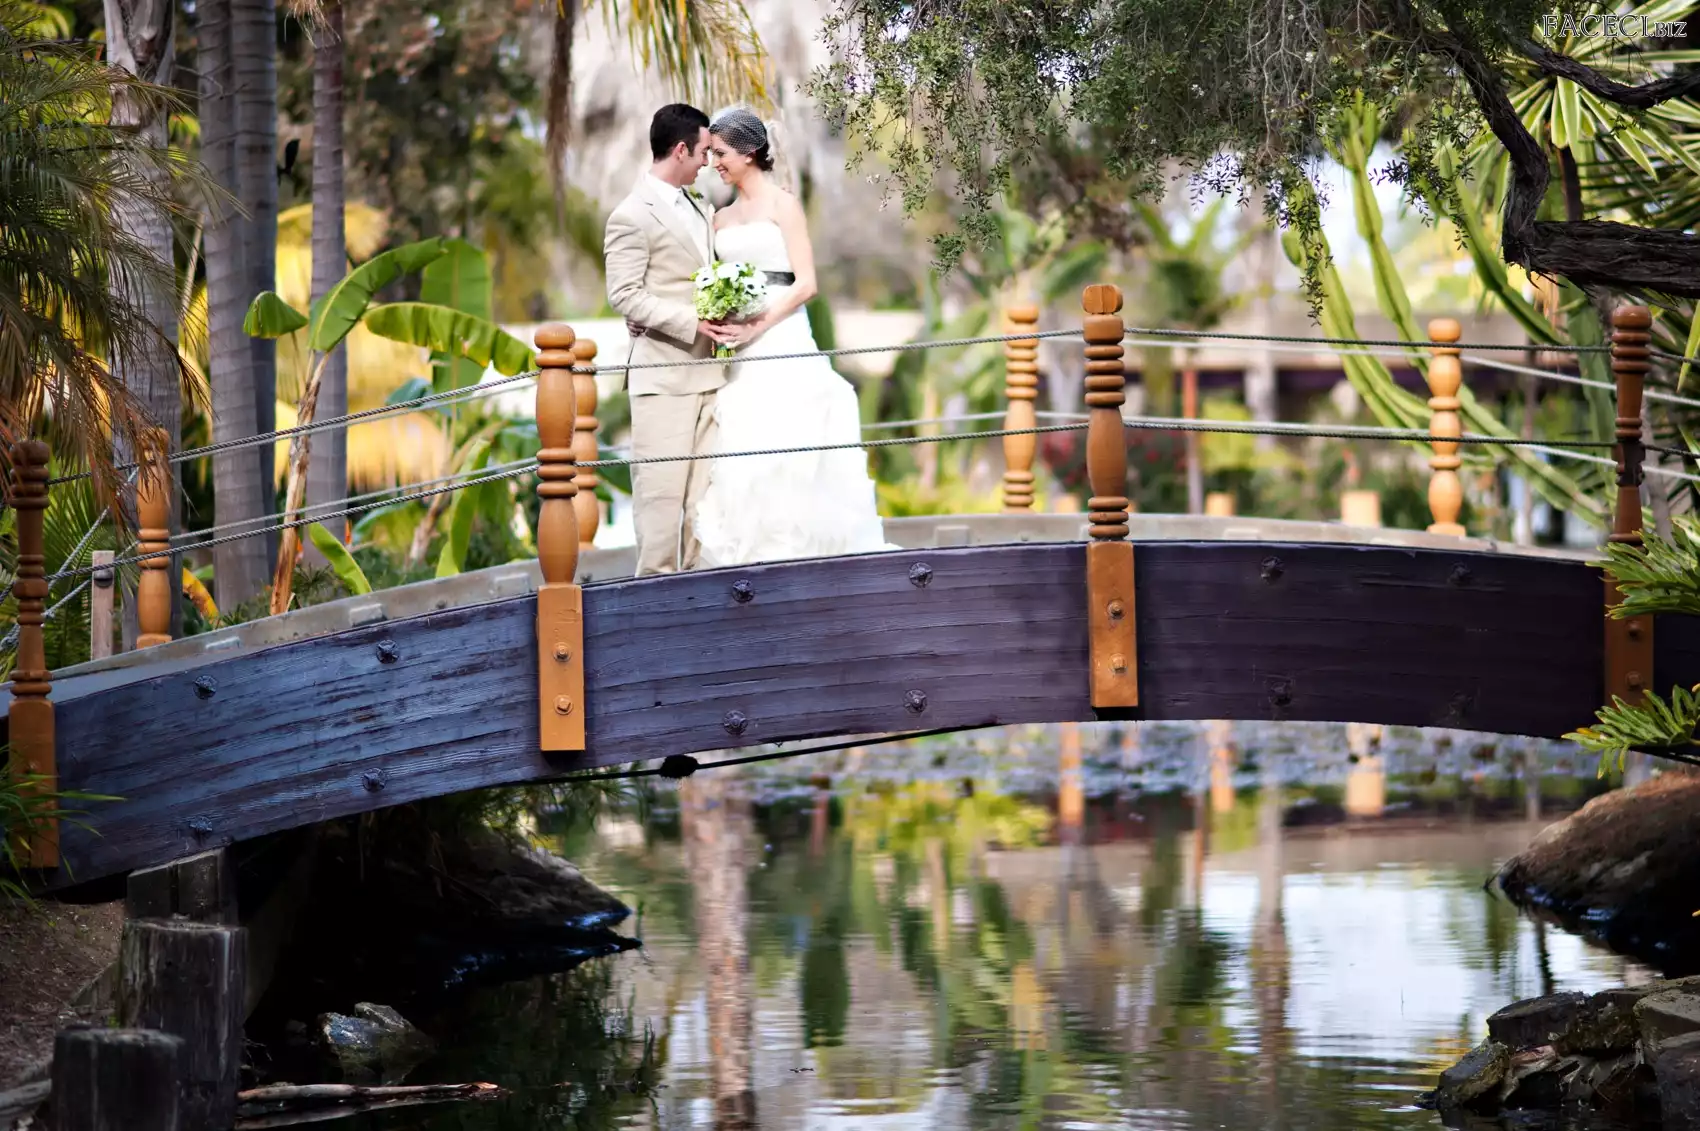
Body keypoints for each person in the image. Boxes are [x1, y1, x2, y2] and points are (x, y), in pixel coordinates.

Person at [680, 106, 894, 568]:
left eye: (721, 153)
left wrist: (757, 324)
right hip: (738, 348)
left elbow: (806, 283)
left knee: (792, 433)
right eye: (711, 154)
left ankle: (803, 556)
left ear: (749, 152)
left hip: (782, 336)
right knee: (744, 438)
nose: (714, 162)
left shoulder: (784, 205)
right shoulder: (719, 218)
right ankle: (750, 559)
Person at [603, 103, 736, 576]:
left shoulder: (699, 205)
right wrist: (689, 322)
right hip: (662, 381)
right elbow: (623, 294)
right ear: (680, 150)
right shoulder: (629, 215)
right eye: (702, 152)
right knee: (660, 506)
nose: (707, 163)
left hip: (713, 377)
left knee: (704, 509)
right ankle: (653, 604)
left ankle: (699, 601)